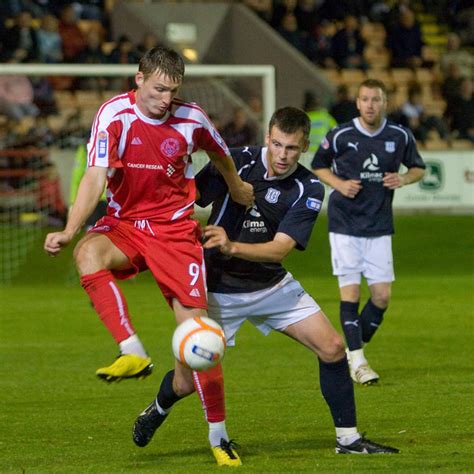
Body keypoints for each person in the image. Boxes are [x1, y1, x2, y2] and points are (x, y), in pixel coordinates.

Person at [132, 107, 399, 465]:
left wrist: (232, 245)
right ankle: (159, 408)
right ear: (267, 137)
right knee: (184, 381)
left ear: (304, 146)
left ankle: (348, 438)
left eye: (291, 147)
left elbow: (282, 249)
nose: (282, 155)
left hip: (272, 287)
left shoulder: (308, 186)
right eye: (276, 144)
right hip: (218, 290)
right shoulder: (236, 163)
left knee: (334, 348)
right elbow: (186, 200)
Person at [43, 46, 253, 392]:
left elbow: (219, 152)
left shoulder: (192, 117)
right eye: (159, 89)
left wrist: (237, 185)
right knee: (86, 252)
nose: (166, 99)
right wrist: (69, 229)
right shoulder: (113, 114)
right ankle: (132, 351)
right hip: (125, 224)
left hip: (174, 231)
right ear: (139, 80)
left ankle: (217, 434)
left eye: (174, 91)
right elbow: (95, 176)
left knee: (199, 337)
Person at [311, 79, 426, 385]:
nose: (370, 105)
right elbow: (318, 165)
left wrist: (404, 179)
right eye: (364, 99)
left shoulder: (399, 135)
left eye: (376, 99)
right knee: (351, 293)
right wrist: (338, 184)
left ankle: (350, 346)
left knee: (382, 297)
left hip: (379, 226)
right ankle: (359, 362)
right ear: (358, 103)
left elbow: (418, 168)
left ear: (384, 102)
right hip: (344, 225)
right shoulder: (341, 135)